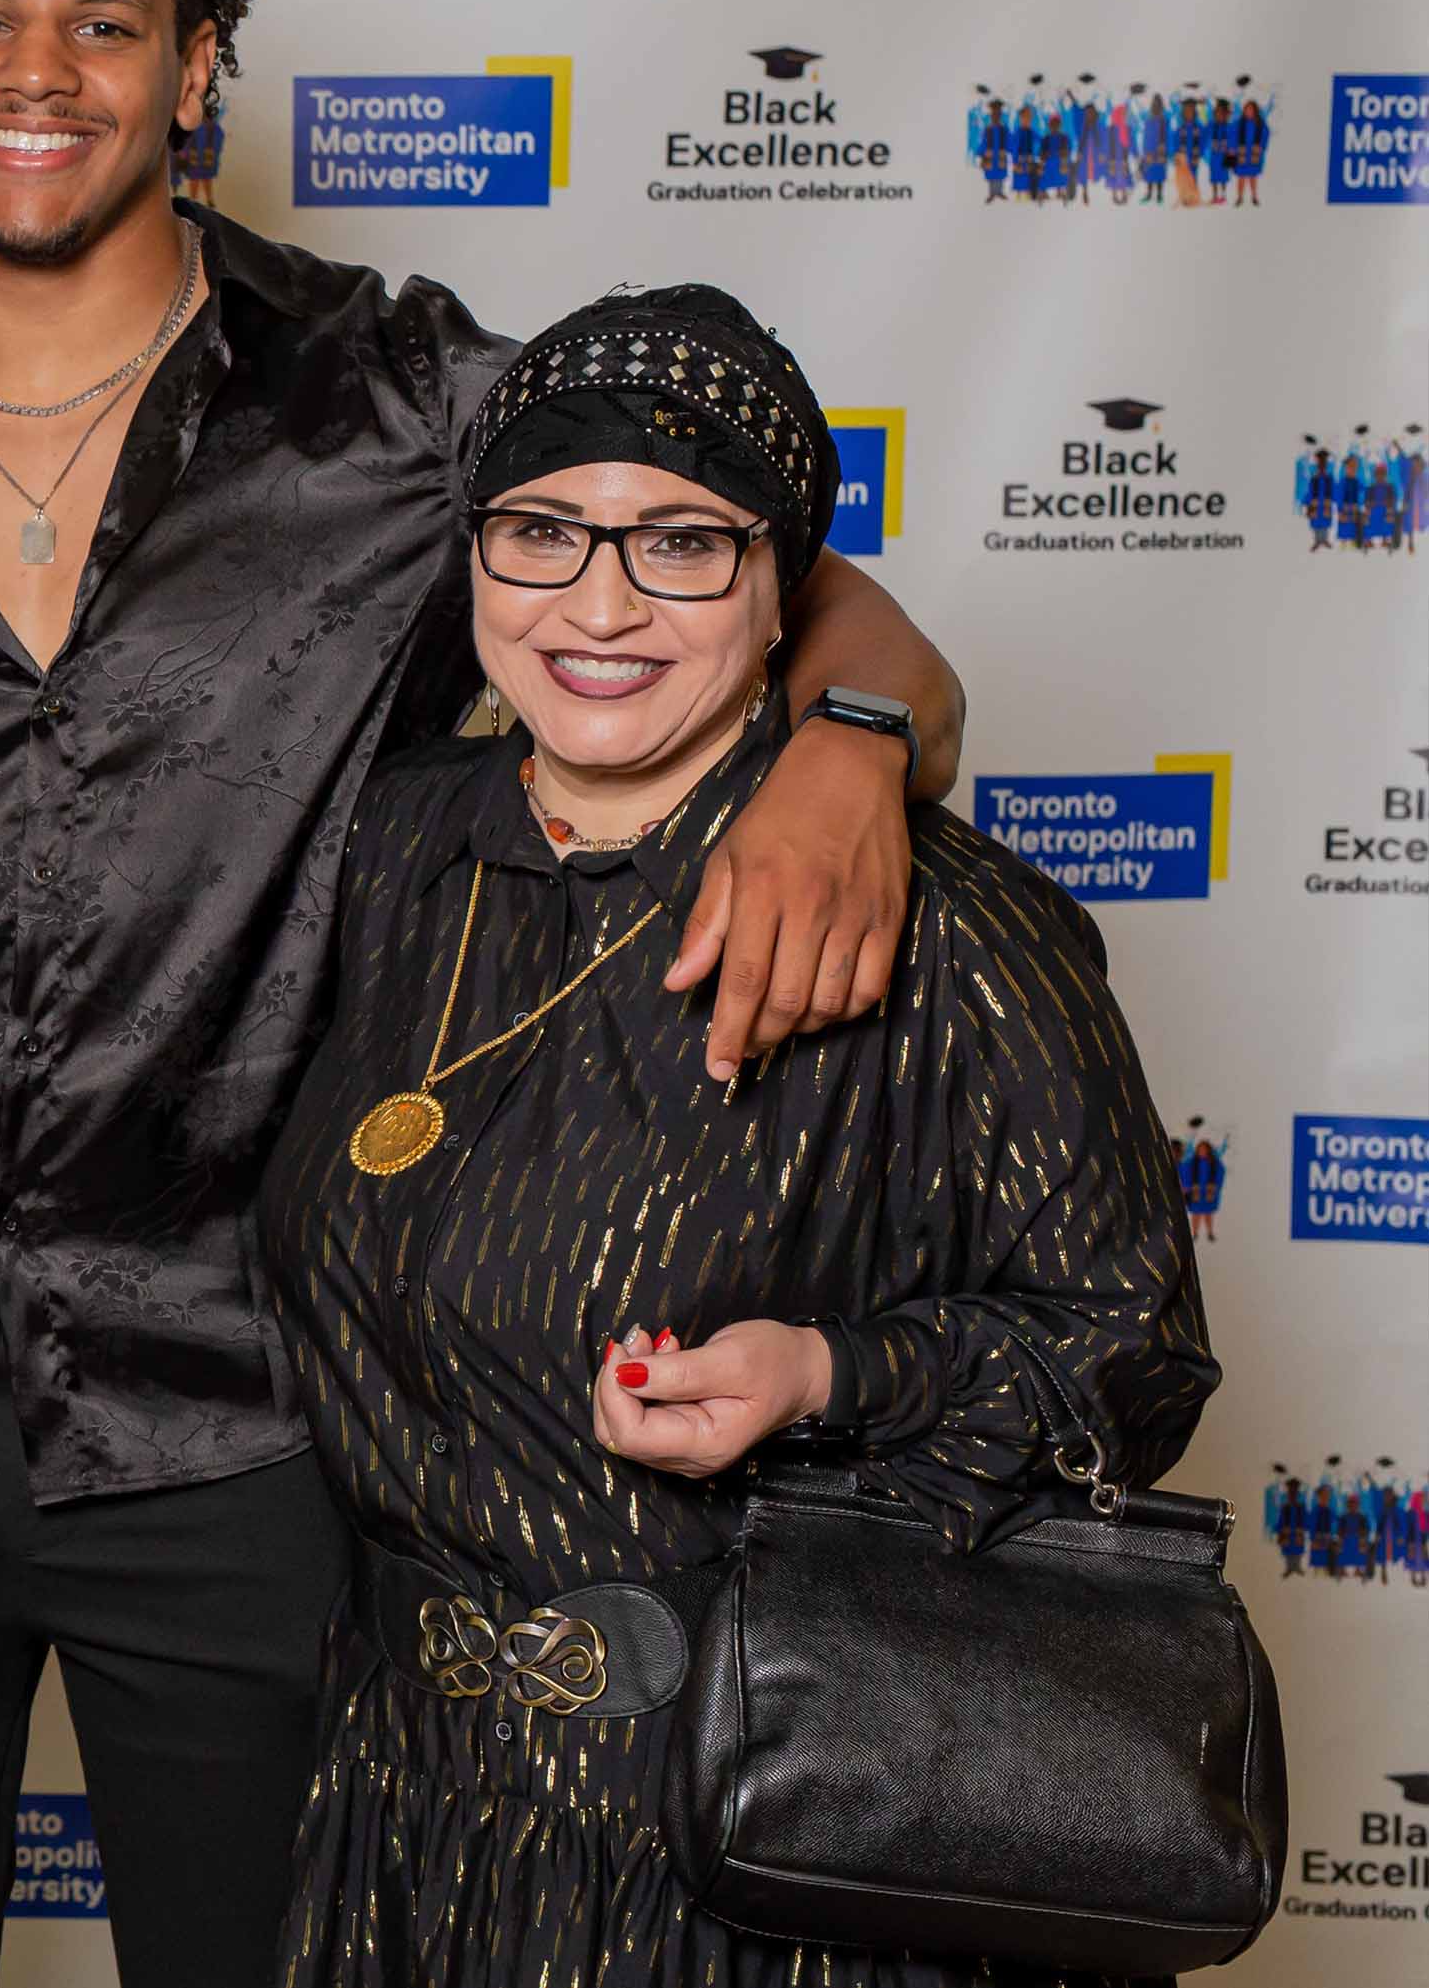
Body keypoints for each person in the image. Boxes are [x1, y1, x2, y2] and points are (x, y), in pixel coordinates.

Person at [0, 0, 965, 1987]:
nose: (40, 71)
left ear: (196, 63)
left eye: (104, 23)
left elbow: (816, 601)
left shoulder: (394, 400)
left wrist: (844, 755)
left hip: (265, 1388)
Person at [255, 283, 1214, 1988]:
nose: (598, 602)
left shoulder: (943, 924)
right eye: (540, 530)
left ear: (786, 591)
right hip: (409, 1812)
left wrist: (831, 1377)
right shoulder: (390, 854)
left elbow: (1126, 1355)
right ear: (471, 552)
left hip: (758, 1841)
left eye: (682, 544)